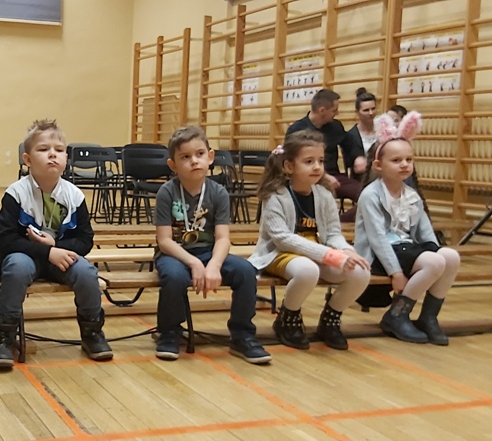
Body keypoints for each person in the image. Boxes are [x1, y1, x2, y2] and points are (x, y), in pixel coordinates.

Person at [0, 119, 112, 371]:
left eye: (59, 150)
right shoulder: (16, 193)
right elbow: (6, 240)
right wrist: (48, 251)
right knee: (17, 268)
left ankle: (92, 332)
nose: (53, 154)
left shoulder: (74, 195)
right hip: (24, 256)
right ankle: (3, 335)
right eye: (43, 149)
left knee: (86, 272)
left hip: (59, 257)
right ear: (27, 160)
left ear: (66, 158)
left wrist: (57, 246)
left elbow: (85, 239)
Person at [153, 126, 269, 363]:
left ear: (211, 156)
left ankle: (242, 335)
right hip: (175, 254)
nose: (194, 161)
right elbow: (164, 241)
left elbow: (223, 238)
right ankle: (169, 332)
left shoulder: (218, 193)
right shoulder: (167, 192)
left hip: (208, 252)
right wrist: (194, 263)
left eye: (199, 154)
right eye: (185, 157)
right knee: (174, 277)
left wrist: (214, 264)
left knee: (246, 271)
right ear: (173, 165)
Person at [248, 130, 371, 350]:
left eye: (321, 161)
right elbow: (283, 239)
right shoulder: (275, 195)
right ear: (289, 166)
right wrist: (329, 255)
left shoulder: (324, 195)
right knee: (307, 270)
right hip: (279, 254)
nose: (317, 167)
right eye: (309, 161)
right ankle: (288, 318)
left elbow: (333, 233)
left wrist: (346, 251)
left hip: (317, 253)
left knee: (360, 271)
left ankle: (330, 319)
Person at [355, 112, 459, 346]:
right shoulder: (371, 195)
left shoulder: (412, 195)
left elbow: (426, 232)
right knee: (434, 262)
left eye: (408, 159)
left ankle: (428, 317)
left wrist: (436, 250)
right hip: (380, 256)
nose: (404, 164)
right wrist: (396, 273)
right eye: (396, 160)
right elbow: (377, 238)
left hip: (406, 249)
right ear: (379, 165)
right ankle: (397, 314)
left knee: (450, 257)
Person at [285, 89, 360, 222]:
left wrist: (358, 158)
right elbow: (290, 159)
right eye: (334, 110)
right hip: (308, 177)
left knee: (367, 196)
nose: (337, 113)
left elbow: (350, 145)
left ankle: (339, 222)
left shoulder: (335, 126)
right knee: (322, 196)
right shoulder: (297, 129)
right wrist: (324, 176)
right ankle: (328, 223)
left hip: (336, 177)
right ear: (322, 110)